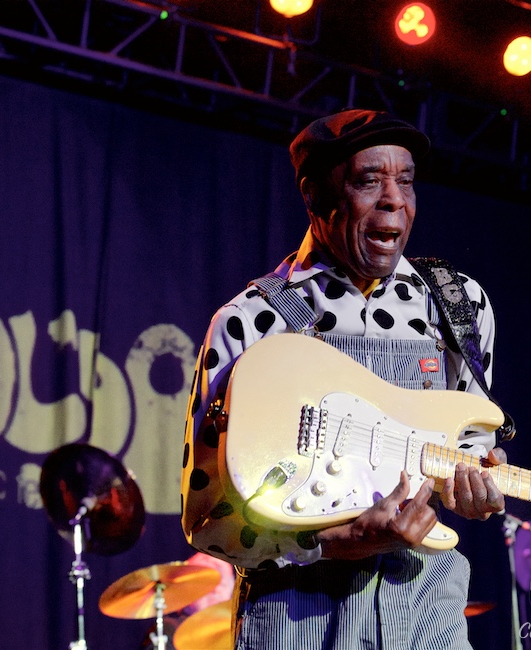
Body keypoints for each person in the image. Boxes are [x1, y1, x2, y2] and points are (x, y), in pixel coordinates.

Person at [180, 108, 510, 649]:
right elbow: (207, 521)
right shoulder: (249, 323)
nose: (393, 200)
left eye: (405, 181)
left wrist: (478, 489)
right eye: (367, 181)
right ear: (314, 198)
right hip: (295, 622)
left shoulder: (460, 305)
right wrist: (338, 540)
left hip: (426, 617)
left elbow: (470, 460)